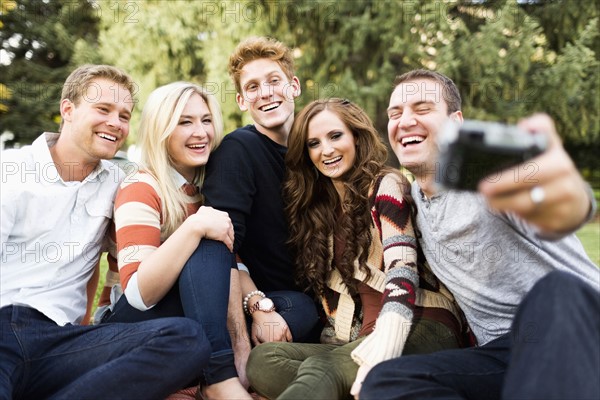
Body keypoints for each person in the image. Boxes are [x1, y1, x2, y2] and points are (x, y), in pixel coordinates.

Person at [360, 69, 600, 399]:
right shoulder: (411, 201)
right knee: (386, 382)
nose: (405, 121)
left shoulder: (486, 173)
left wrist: (565, 195)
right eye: (395, 113)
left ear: (456, 122)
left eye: (423, 108)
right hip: (507, 354)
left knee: (555, 289)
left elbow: (559, 202)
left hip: (579, 326)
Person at [0, 65, 209, 399]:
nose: (116, 123)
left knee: (187, 339)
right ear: (67, 109)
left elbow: (94, 269)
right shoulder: (11, 171)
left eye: (124, 115)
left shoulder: (118, 182)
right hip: (4, 327)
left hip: (62, 343)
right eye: (103, 110)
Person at [246, 98, 469, 399]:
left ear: (356, 136)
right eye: (314, 143)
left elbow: (403, 268)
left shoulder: (385, 185)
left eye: (335, 136)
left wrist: (385, 341)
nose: (326, 150)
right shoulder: (321, 210)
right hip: (363, 337)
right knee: (263, 360)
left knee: (323, 371)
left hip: (419, 323)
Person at [99, 81, 251, 400]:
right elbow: (139, 295)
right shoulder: (141, 188)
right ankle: (219, 379)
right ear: (161, 129)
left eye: (206, 120)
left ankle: (207, 367)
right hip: (129, 326)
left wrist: (260, 307)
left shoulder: (206, 186)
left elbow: (231, 261)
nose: (201, 132)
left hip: (189, 316)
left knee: (298, 309)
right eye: (185, 122)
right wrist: (194, 227)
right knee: (207, 241)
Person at [201, 37, 321, 362]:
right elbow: (221, 247)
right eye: (252, 87)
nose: (265, 93)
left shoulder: (318, 149)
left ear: (293, 86)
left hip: (323, 296)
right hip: (271, 299)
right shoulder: (238, 150)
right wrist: (257, 307)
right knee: (303, 311)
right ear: (242, 100)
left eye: (273, 81)